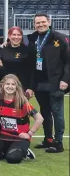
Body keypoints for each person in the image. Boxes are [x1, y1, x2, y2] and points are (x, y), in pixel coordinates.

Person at [27, 14, 69, 153]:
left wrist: (66, 79)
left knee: (57, 112)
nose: (40, 25)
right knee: (45, 111)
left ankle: (58, 143)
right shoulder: (33, 39)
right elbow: (32, 65)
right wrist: (32, 86)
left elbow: (68, 61)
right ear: (34, 25)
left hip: (56, 82)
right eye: (37, 23)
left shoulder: (60, 38)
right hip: (40, 83)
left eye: (43, 22)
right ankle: (48, 139)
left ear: (49, 22)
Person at [0, 74, 44, 163]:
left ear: (17, 87)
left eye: (13, 84)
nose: (10, 86)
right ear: (2, 85)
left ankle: (24, 152)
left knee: (12, 158)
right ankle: (11, 150)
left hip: (20, 137)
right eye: (7, 84)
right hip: (4, 137)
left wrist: (29, 134)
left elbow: (39, 118)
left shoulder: (22, 101)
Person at [0, 26, 35, 97]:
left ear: (22, 36)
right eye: (14, 35)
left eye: (19, 35)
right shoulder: (2, 49)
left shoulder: (28, 50)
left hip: (22, 86)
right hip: (5, 86)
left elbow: (32, 70)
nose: (16, 37)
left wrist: (31, 87)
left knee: (20, 107)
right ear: (9, 36)